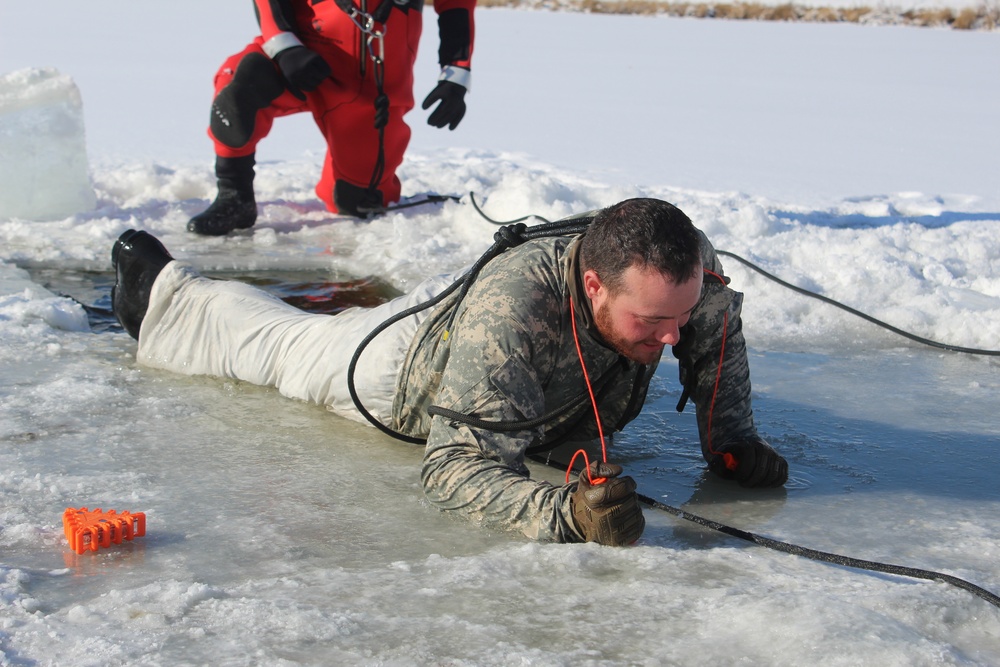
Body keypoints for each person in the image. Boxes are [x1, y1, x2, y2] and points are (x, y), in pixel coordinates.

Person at [111, 198, 789, 546]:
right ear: (594, 285)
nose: (673, 336)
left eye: (680, 314)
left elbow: (714, 330)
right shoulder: (514, 307)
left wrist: (734, 438)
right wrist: (567, 515)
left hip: (542, 397)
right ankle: (164, 290)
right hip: (406, 373)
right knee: (284, 347)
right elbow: (452, 468)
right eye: (651, 324)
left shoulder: (683, 271)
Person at [187, 0, 476, 236]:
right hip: (298, 54)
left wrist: (456, 73)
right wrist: (284, 46)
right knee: (238, 89)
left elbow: (456, 5)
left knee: (356, 201)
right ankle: (233, 195)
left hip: (371, 83)